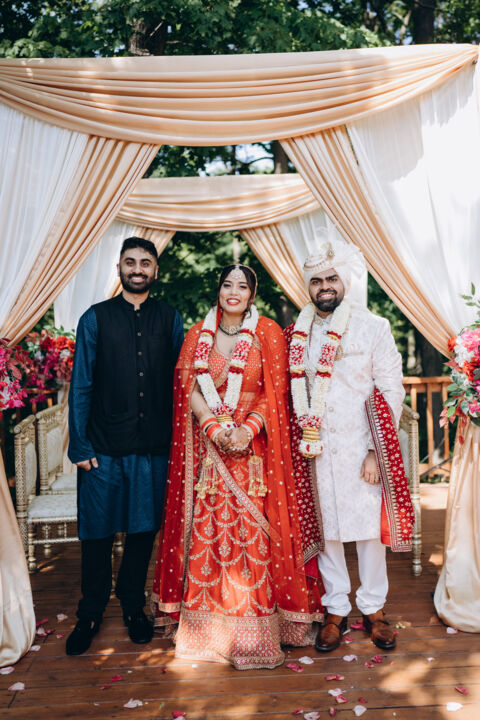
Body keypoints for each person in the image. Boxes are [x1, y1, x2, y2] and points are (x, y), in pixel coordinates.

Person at [152, 264, 322, 670]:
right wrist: (213, 427)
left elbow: (276, 392)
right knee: (209, 532)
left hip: (254, 450)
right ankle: (206, 633)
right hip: (209, 451)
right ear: (219, 290)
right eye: (227, 284)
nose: (234, 291)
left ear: (251, 294)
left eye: (242, 286)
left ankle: (258, 632)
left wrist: (247, 429)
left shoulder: (267, 332)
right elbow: (188, 388)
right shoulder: (198, 334)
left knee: (252, 536)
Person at [284, 239, 415, 653]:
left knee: (368, 533)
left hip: (362, 447)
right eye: (316, 280)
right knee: (328, 531)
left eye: (332, 278)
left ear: (345, 282)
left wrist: (377, 449)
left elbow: (390, 388)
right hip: (316, 449)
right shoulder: (297, 333)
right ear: (308, 287)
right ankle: (336, 609)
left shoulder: (373, 326)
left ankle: (374, 609)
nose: (324, 286)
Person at [65, 237, 183, 656]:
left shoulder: (169, 318)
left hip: (152, 447)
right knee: (96, 533)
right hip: (101, 447)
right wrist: (79, 445)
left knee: (142, 531)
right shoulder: (95, 318)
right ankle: (90, 612)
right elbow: (81, 384)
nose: (137, 269)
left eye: (145, 263)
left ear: (155, 271)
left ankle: (133, 605)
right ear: (119, 267)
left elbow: (180, 382)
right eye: (130, 262)